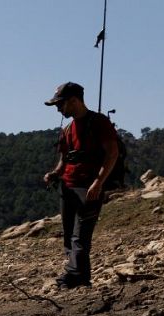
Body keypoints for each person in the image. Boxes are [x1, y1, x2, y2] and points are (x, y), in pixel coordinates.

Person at [42, 81, 119, 289]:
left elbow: (112, 153)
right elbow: (64, 160)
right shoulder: (67, 130)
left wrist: (98, 183)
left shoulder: (99, 122)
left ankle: (75, 276)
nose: (58, 109)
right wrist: (54, 174)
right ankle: (78, 277)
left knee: (80, 236)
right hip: (67, 187)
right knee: (69, 236)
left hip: (89, 188)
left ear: (74, 101)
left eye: (60, 104)